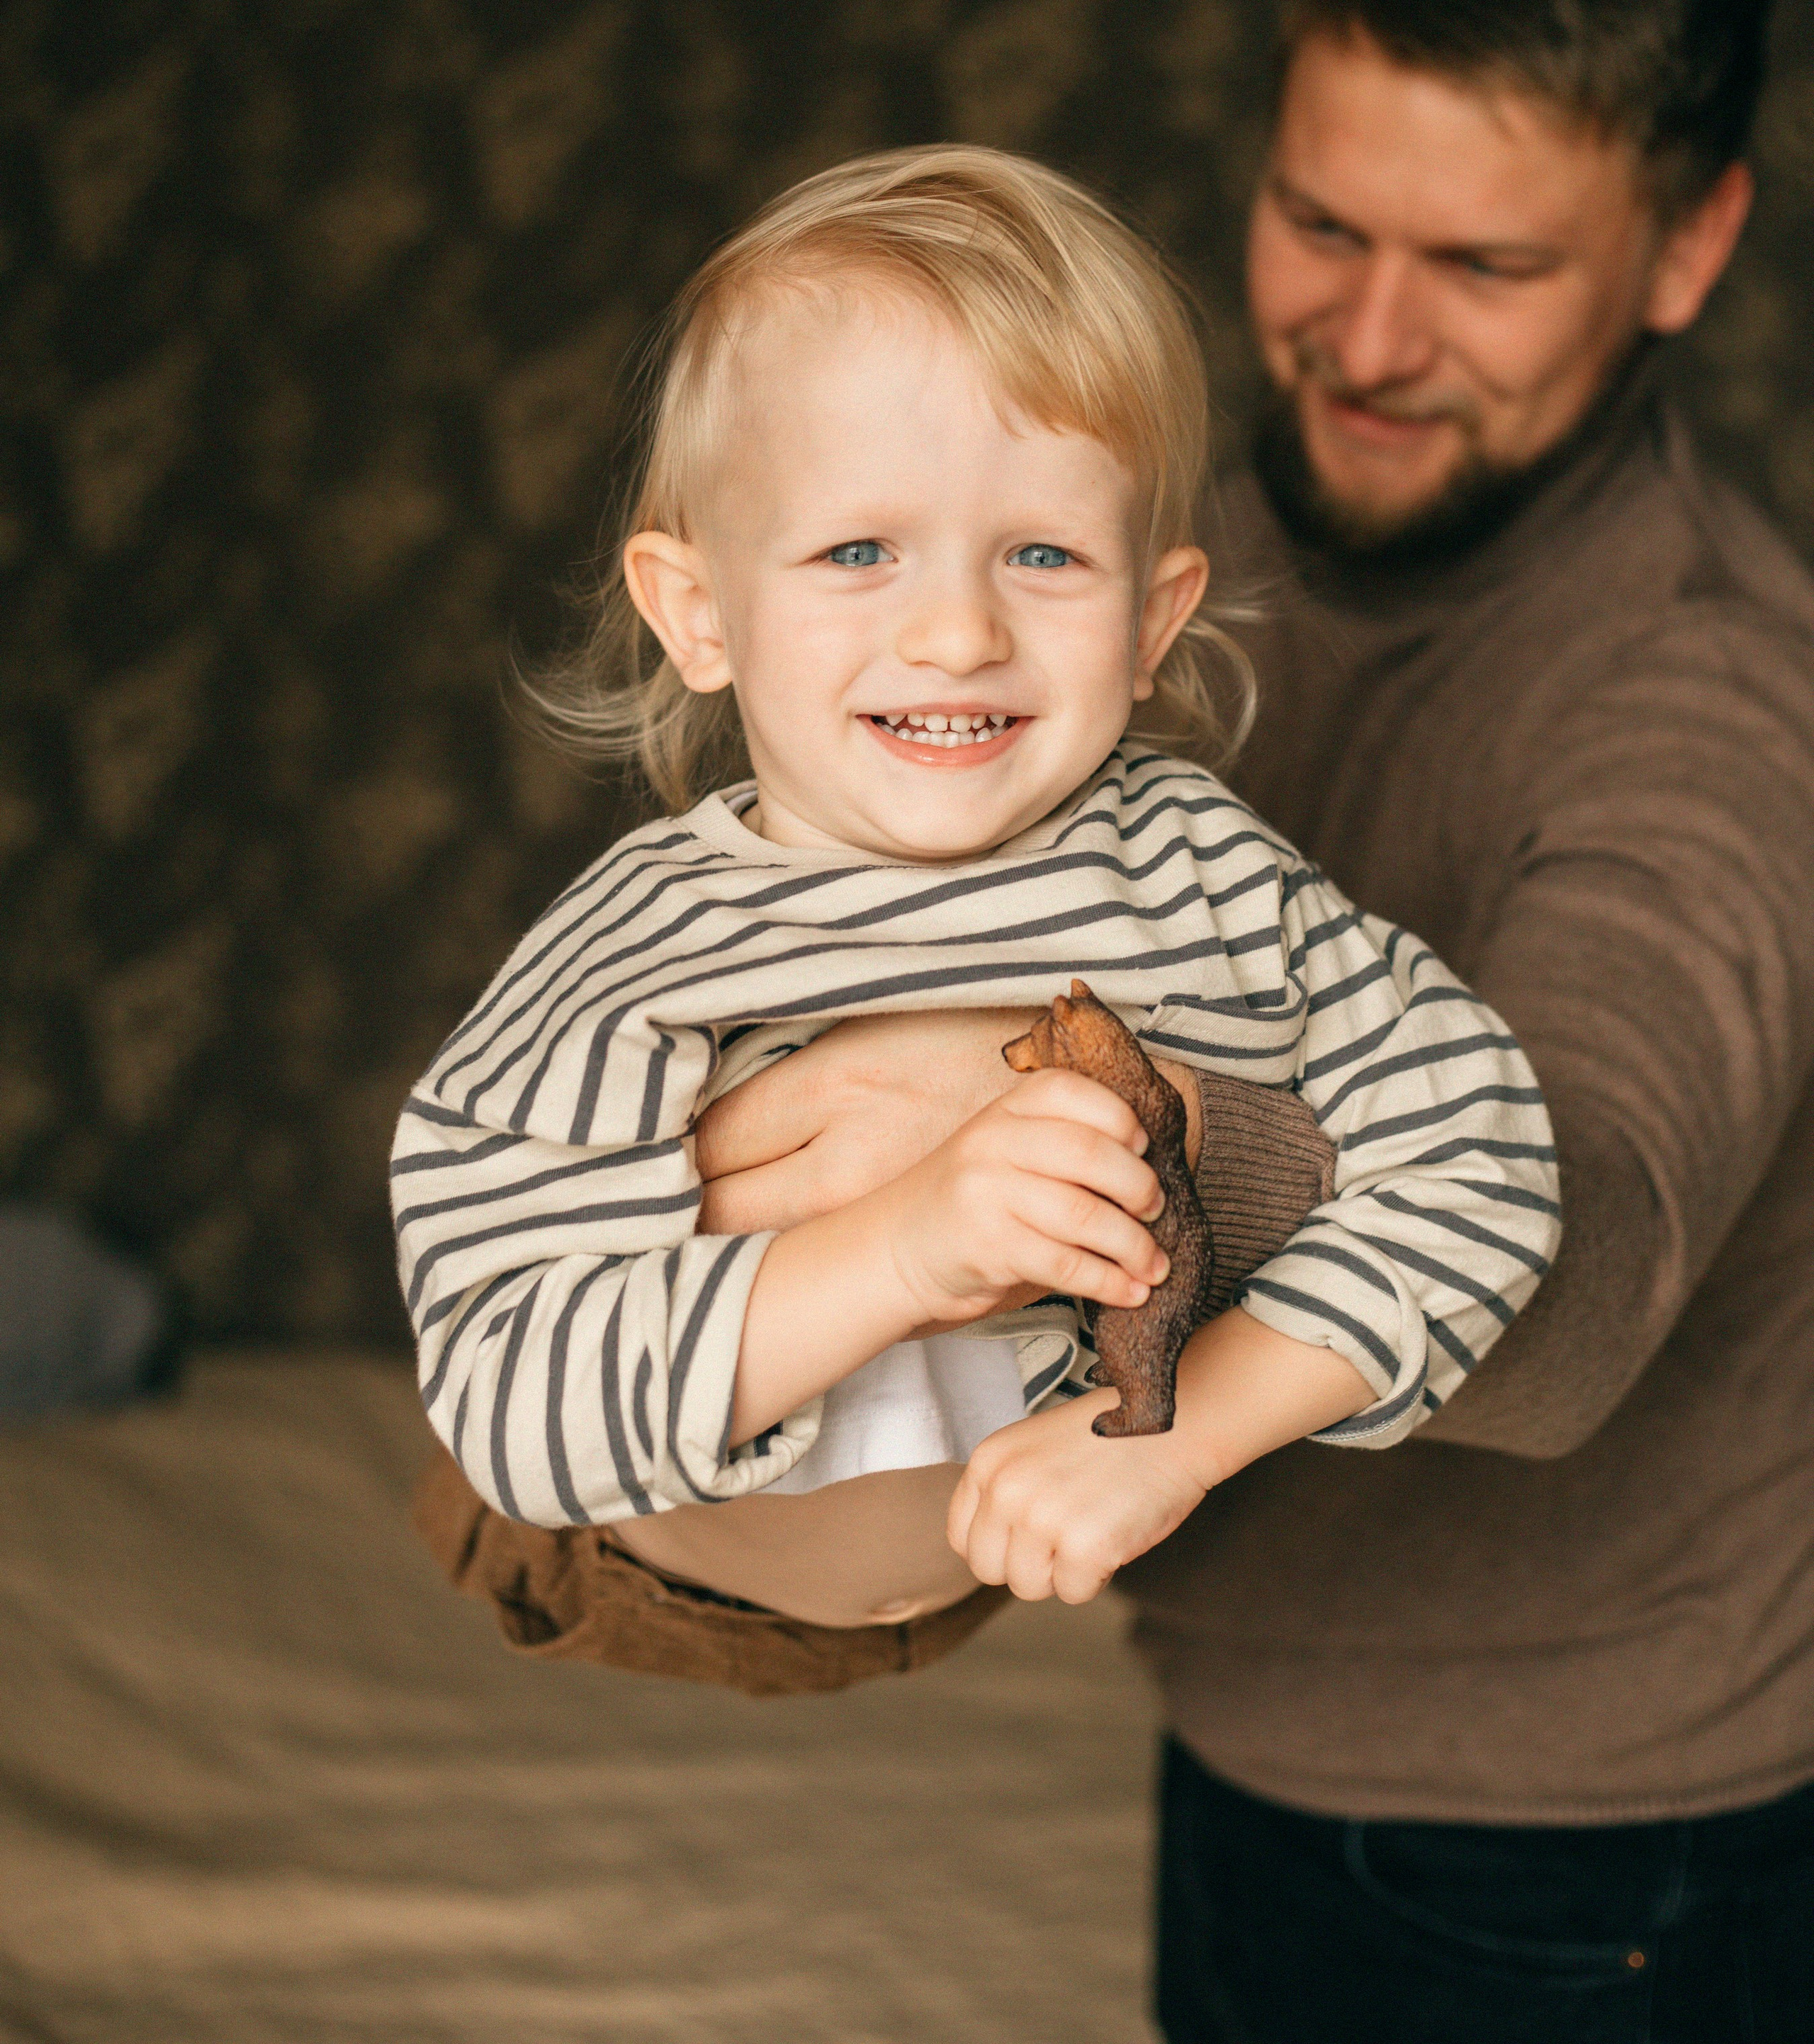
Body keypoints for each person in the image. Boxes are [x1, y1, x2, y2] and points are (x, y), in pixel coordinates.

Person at [706, 0, 1814, 2034]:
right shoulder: (1159, 572)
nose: (1368, 336)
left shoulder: (1706, 694)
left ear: (1689, 249)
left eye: (1484, 267)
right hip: (1246, 1729)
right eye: (1321, 221)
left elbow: (1580, 1280)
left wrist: (1051, 1113)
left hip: (1587, 1857)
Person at [392, 145, 1557, 1662]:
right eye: (857, 549)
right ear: (699, 612)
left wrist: (1186, 1434)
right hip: (660, 1566)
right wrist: (903, 1248)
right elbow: (507, 1402)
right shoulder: (639, 956)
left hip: (997, 1566)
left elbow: (1487, 1151)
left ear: (1152, 621)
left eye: (1042, 554)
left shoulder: (1197, 871)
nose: (954, 631)